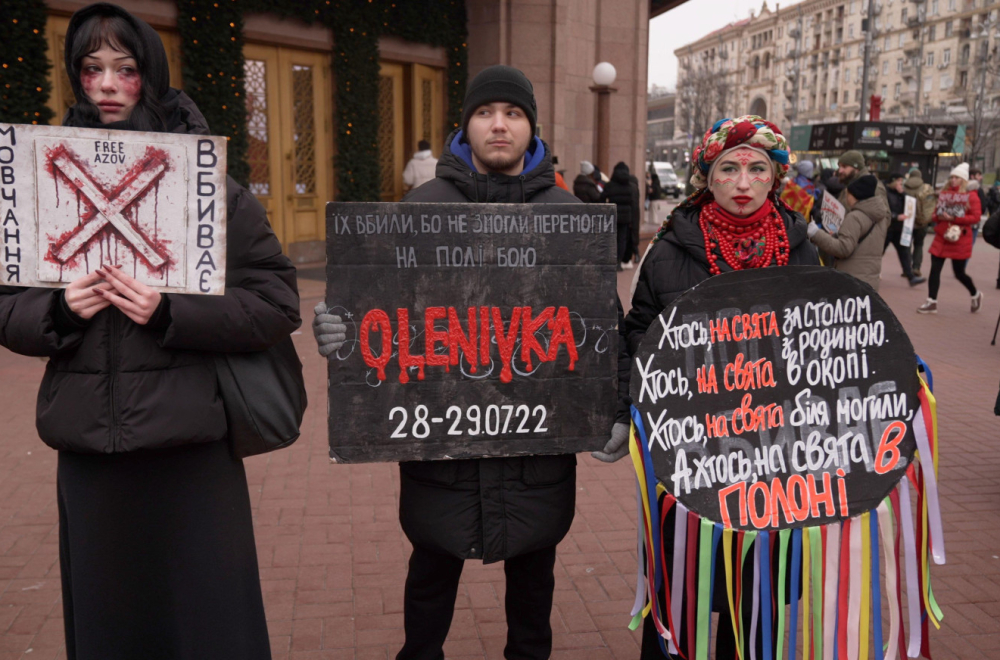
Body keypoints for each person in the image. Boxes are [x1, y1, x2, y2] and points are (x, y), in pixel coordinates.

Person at [0, 4, 301, 658]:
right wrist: (55, 311)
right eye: (92, 69)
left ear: (151, 76)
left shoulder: (207, 186)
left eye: (126, 69)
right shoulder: (41, 181)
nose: (107, 84)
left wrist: (171, 313)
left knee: (209, 631)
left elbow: (277, 301)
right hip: (90, 455)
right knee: (113, 632)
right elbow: (6, 307)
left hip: (190, 454)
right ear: (76, 78)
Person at [315, 64, 578, 660]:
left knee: (534, 582)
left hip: (536, 443)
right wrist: (339, 331)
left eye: (513, 113)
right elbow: (378, 313)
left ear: (531, 126)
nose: (499, 125)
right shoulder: (421, 206)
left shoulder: (567, 213)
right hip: (440, 438)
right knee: (431, 574)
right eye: (486, 113)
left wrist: (611, 408)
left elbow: (593, 328)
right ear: (466, 125)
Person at [592, 115, 819, 659]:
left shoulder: (800, 250)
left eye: (758, 169)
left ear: (775, 178)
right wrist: (626, 409)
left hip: (772, 460)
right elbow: (638, 333)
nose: (743, 182)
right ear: (707, 177)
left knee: (757, 596)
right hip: (689, 457)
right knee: (684, 588)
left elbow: (821, 343)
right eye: (729, 169)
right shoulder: (669, 251)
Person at [918, 162, 983, 314]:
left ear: (963, 180)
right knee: (935, 269)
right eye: (952, 177)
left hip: (958, 237)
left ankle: (975, 293)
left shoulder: (971, 196)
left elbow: (975, 217)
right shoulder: (944, 193)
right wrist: (939, 216)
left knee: (959, 272)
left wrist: (954, 218)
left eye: (957, 177)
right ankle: (931, 301)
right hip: (942, 236)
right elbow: (934, 214)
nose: (953, 180)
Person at [808, 174, 891, 290]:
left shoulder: (854, 217)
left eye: (848, 194)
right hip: (871, 280)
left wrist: (816, 233)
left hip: (851, 281)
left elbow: (843, 249)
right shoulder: (882, 217)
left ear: (854, 196)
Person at [883, 172, 925, 285]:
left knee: (904, 253)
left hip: (898, 229)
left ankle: (911, 277)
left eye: (901, 182)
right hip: (888, 228)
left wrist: (902, 193)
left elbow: (909, 203)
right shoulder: (885, 193)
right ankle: (870, 272)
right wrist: (896, 216)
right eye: (899, 181)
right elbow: (883, 210)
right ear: (893, 181)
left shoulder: (899, 193)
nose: (900, 184)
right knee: (879, 252)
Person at [600, 161, 640, 270]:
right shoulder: (630, 186)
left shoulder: (609, 185)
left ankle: (610, 261)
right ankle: (618, 262)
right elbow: (632, 203)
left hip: (612, 215)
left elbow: (601, 198)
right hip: (626, 217)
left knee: (611, 238)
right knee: (622, 240)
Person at [904, 167, 935, 277]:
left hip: (907, 221)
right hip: (922, 222)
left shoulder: (904, 187)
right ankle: (916, 267)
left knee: (906, 245)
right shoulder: (926, 188)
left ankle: (906, 268)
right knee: (919, 245)